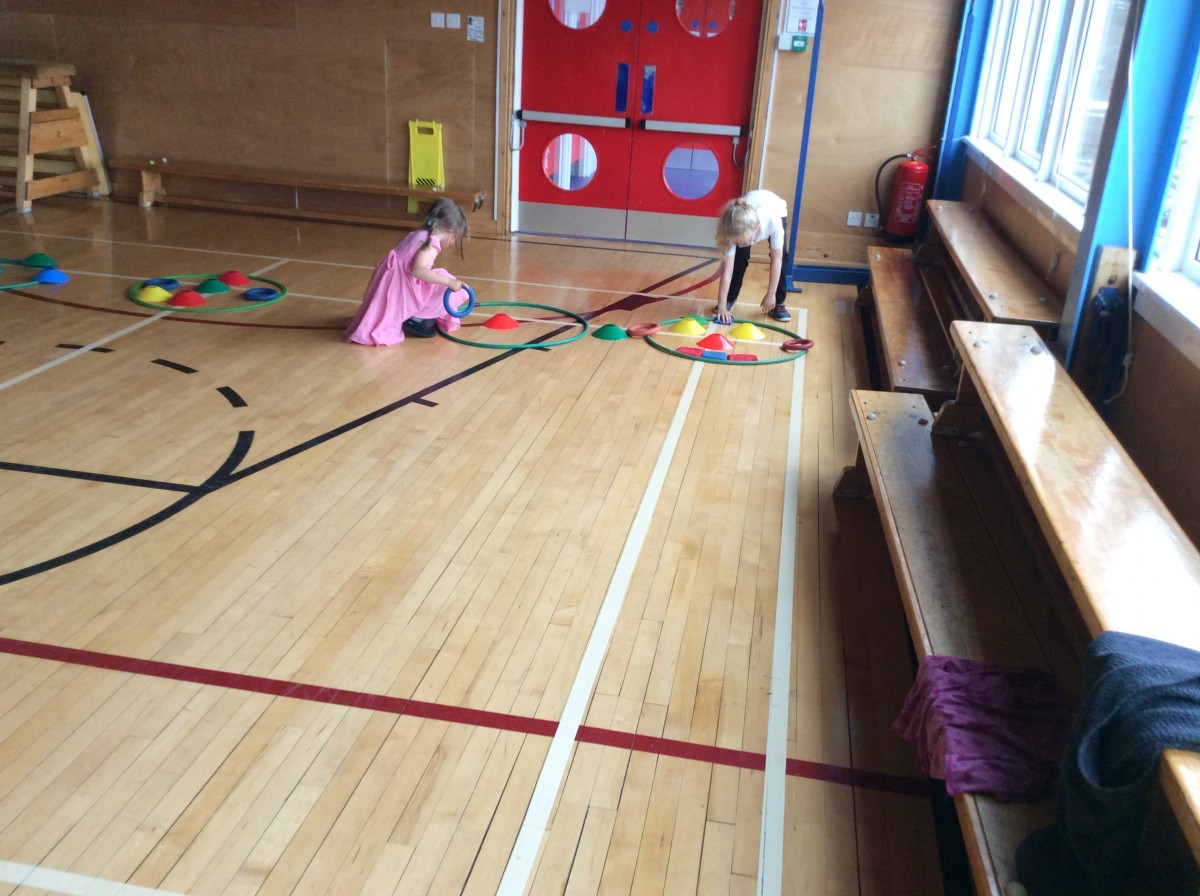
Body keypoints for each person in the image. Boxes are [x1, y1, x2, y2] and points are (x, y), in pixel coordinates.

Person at [345, 198, 471, 346]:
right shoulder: (431, 244)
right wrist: (449, 282)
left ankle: (413, 316)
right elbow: (418, 270)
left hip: (393, 280)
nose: (453, 242)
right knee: (447, 284)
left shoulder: (419, 234)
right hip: (402, 285)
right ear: (451, 231)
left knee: (442, 276)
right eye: (456, 237)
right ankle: (416, 319)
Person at [712, 190, 793, 324]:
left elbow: (776, 260)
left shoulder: (773, 222)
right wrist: (721, 307)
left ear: (756, 229)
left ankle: (778, 302)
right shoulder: (732, 229)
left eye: (743, 242)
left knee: (782, 257)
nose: (740, 245)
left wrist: (771, 294)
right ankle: (729, 299)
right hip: (745, 216)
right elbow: (727, 272)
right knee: (740, 258)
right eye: (737, 243)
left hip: (775, 207)